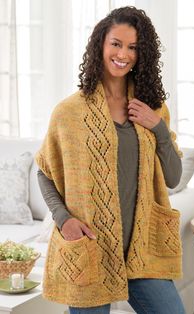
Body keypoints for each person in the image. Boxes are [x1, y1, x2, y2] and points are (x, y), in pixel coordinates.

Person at [36, 6, 185, 314]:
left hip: (143, 250)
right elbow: (45, 171)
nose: (123, 54)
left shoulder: (154, 109)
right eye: (116, 43)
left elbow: (173, 177)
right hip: (92, 251)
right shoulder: (69, 112)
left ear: (142, 54)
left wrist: (157, 128)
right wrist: (64, 221)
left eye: (133, 47)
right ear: (100, 45)